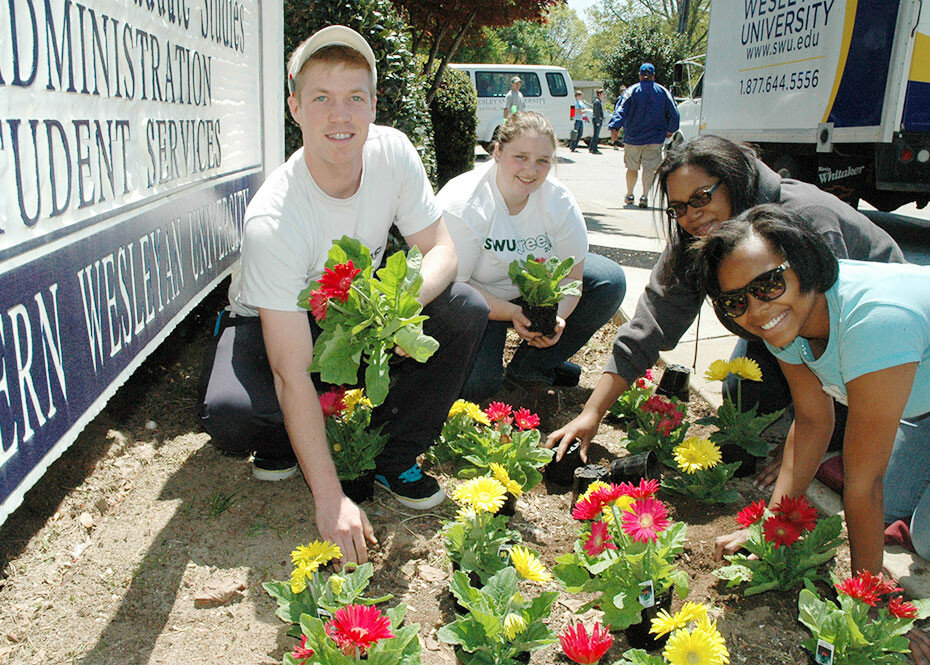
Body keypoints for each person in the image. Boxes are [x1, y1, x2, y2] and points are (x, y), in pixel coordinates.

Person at [197, 25, 488, 564]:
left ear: (374, 105)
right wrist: (329, 500)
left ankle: (393, 452)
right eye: (322, 99)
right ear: (296, 108)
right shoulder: (274, 218)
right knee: (232, 415)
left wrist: (407, 309)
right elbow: (289, 366)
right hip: (275, 321)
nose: (341, 116)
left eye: (356, 97)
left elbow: (442, 248)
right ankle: (290, 440)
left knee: (464, 307)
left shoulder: (393, 153)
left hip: (356, 317)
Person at [544, 135, 905, 470]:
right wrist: (592, 413)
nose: (692, 216)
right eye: (679, 208)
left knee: (843, 422)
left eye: (702, 198)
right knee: (741, 397)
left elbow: (832, 333)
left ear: (732, 181)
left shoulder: (806, 219)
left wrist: (807, 443)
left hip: (878, 335)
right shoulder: (699, 238)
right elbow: (652, 323)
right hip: (789, 329)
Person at [692, 204, 930, 665]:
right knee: (894, 509)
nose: (757, 311)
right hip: (917, 399)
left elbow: (863, 487)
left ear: (803, 263)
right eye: (736, 301)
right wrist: (769, 527)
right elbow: (815, 420)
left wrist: (872, 608)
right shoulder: (787, 323)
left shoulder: (872, 322)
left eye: (768, 285)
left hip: (908, 377)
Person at [436, 111, 626, 402]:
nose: (531, 170)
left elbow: (573, 277)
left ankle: (530, 370)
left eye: (542, 161)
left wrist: (557, 318)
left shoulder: (558, 201)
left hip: (533, 297)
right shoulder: (464, 202)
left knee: (608, 281)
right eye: (520, 157)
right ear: (497, 152)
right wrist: (513, 313)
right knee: (476, 386)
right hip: (477, 300)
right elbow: (452, 285)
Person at [608, 63, 679, 208]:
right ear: (654, 76)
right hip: (655, 138)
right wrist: (671, 128)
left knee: (632, 168)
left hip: (633, 138)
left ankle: (629, 194)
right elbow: (674, 112)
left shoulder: (631, 91)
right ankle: (644, 196)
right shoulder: (663, 92)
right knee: (649, 168)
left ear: (640, 75)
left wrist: (615, 127)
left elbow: (621, 109)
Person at [588, 88, 605, 154]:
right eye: (603, 94)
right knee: (596, 135)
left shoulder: (598, 101)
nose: (604, 96)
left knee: (595, 134)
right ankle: (594, 149)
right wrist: (598, 121)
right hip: (597, 120)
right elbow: (596, 112)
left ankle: (591, 148)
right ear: (599, 94)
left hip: (597, 119)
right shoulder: (597, 102)